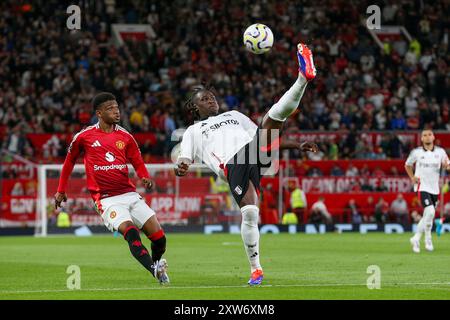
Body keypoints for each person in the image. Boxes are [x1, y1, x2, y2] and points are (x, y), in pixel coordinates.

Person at [175, 43, 318, 285]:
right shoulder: (194, 130)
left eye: (212, 97)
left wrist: (296, 145)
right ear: (194, 107)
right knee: (251, 213)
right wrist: (182, 165)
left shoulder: (234, 115)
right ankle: (256, 270)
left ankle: (303, 77)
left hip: (253, 157)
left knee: (271, 119)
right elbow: (184, 158)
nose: (211, 101)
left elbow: (263, 140)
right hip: (234, 165)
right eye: (205, 99)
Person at [54, 92, 169, 284]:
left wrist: (144, 177)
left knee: (159, 239)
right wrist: (61, 189)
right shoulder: (84, 136)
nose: (116, 111)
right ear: (99, 113)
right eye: (110, 108)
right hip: (106, 199)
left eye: (117, 107)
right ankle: (153, 269)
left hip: (130, 194)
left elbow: (137, 160)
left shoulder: (125, 136)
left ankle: (157, 266)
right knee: (130, 231)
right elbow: (69, 162)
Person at [405, 129, 450, 253]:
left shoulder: (441, 152)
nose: (427, 137)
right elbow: (407, 165)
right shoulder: (416, 152)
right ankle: (428, 239)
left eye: (429, 134)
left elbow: (447, 165)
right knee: (430, 212)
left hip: (434, 188)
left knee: (427, 216)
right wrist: (412, 177)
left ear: (433, 137)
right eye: (425, 135)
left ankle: (416, 238)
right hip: (422, 186)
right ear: (421, 139)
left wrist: (447, 166)